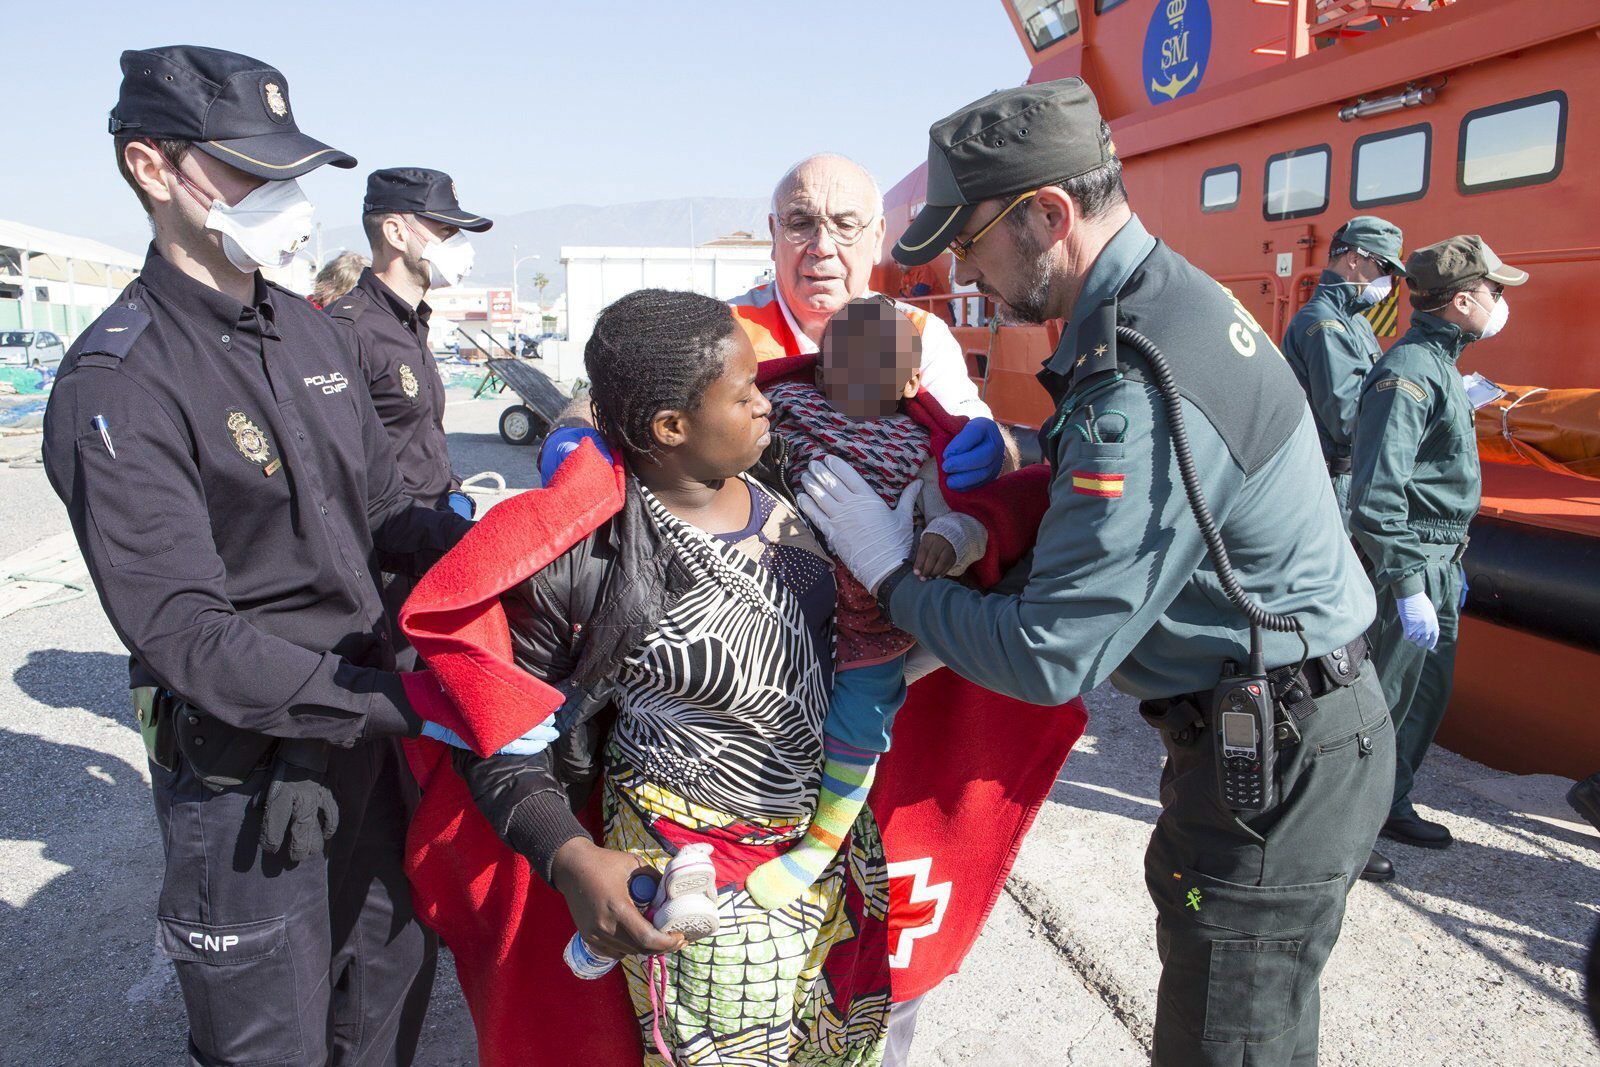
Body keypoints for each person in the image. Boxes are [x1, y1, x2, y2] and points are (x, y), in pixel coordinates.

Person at [803, 78, 1394, 1066]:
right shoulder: (1157, 306)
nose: (961, 269)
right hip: (1277, 724)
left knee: (1226, 1041)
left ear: (1048, 215)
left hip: (1279, 752)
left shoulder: (1141, 376)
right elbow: (1106, 490)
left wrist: (893, 577)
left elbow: (1050, 655)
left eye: (970, 240)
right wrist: (1000, 492)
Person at [43, 45, 480, 1064]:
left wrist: (505, 552)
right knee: (271, 1043)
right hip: (250, 780)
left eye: (291, 173)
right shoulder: (121, 382)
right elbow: (188, 634)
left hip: (368, 748)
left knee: (387, 1001)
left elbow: (385, 507)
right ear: (152, 167)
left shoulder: (308, 333)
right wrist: (412, 702)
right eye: (251, 171)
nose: (286, 200)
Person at [453, 290, 895, 1063]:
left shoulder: (791, 480)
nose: (767, 404)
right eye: (744, 393)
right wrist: (569, 856)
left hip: (825, 841)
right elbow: (502, 741)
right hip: (693, 877)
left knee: (833, 1041)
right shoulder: (583, 559)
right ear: (670, 428)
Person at [538, 154, 1008, 493]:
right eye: (800, 222)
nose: (822, 246)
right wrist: (571, 431)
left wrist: (997, 450)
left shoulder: (920, 333)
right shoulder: (722, 328)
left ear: (879, 235)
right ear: (773, 233)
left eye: (846, 225)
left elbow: (974, 426)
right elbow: (614, 397)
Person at [743, 295, 1001, 908]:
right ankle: (754, 818)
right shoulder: (788, 404)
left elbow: (965, 516)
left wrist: (949, 537)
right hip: (776, 600)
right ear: (818, 368)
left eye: (877, 363)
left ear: (912, 382)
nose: (857, 374)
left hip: (873, 617)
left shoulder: (925, 445)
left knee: (860, 723)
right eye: (843, 362)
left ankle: (818, 844)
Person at [1348, 236, 1528, 866]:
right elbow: (1375, 496)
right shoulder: (1409, 373)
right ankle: (1346, 832)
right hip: (1412, 559)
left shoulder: (1441, 366)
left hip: (1442, 559)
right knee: (1381, 703)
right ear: (1462, 301)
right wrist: (1407, 582)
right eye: (1494, 290)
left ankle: (1389, 803)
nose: (1501, 301)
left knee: (1424, 697)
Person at [327, 167, 490, 667]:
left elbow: (418, 436)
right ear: (397, 233)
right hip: (388, 562)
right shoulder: (350, 331)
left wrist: (453, 495)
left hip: (431, 538)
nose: (458, 244)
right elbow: (340, 474)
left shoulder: (411, 325)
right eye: (446, 230)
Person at [1280, 216, 1406, 516]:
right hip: (1332, 482)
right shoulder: (1325, 325)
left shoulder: (1356, 322)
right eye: (1384, 268)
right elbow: (1347, 421)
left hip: (1349, 477)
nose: (1388, 280)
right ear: (1353, 259)